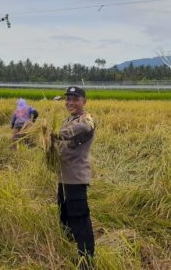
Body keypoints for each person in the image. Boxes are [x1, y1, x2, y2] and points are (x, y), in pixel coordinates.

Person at [52, 86, 96, 268]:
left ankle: (86, 260)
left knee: (79, 218)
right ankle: (68, 246)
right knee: (64, 213)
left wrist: (52, 132)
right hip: (63, 176)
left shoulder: (87, 120)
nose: (70, 102)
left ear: (83, 102)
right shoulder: (68, 119)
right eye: (68, 99)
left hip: (76, 178)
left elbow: (75, 130)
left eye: (75, 99)